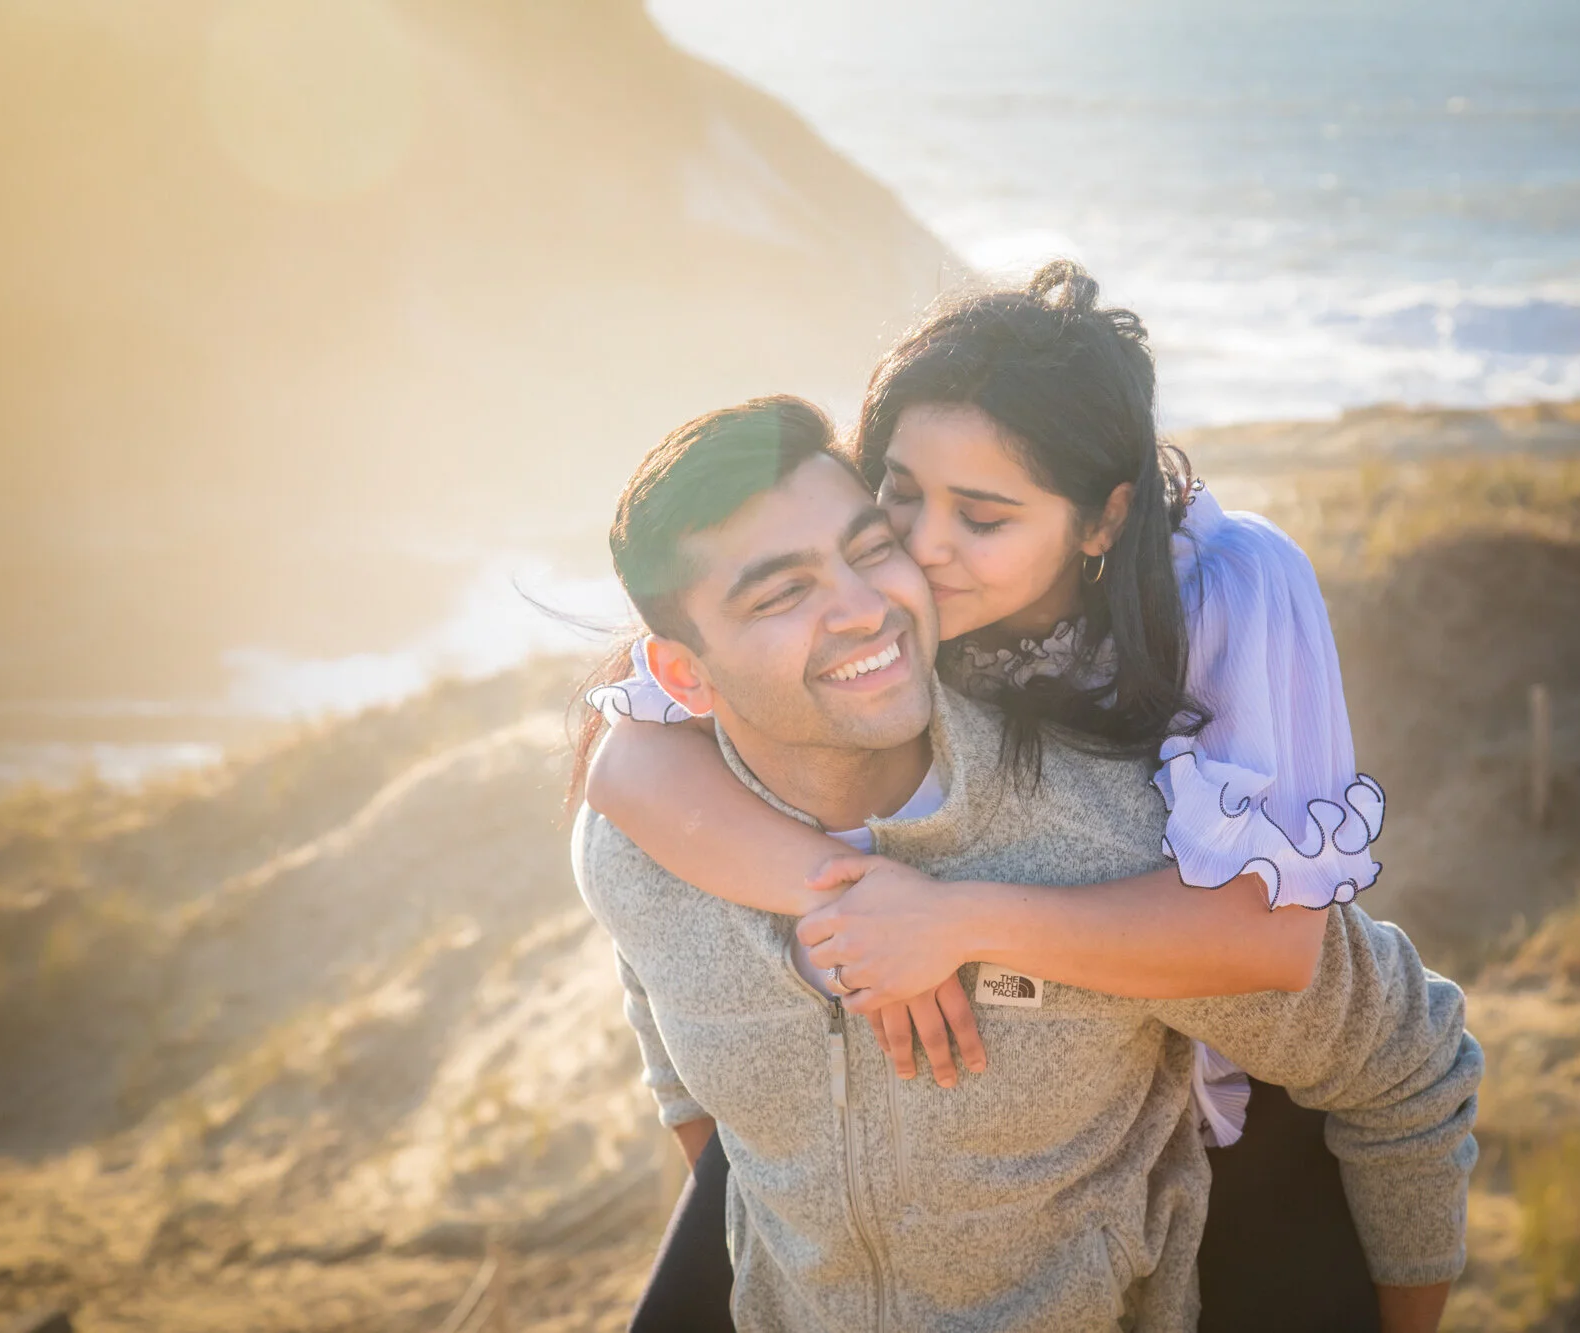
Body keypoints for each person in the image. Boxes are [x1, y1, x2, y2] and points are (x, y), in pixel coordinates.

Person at [587, 265, 1405, 1328]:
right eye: (897, 495)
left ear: (1103, 521)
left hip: (1215, 1088)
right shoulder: (862, 600)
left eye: (980, 517)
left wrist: (954, 921)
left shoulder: (1219, 590)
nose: (920, 551)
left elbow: (1285, 947)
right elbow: (622, 763)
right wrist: (844, 894)